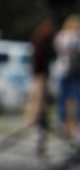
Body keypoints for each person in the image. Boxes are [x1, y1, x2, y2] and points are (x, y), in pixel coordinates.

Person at [23, 12, 57, 155]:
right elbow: (41, 57)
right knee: (36, 99)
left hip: (41, 73)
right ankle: (33, 120)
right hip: (40, 73)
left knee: (40, 100)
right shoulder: (41, 39)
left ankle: (37, 119)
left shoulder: (41, 38)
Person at [53, 13, 80, 138]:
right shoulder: (77, 37)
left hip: (63, 70)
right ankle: (77, 126)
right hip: (75, 71)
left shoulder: (60, 36)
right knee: (77, 99)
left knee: (63, 99)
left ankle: (63, 124)